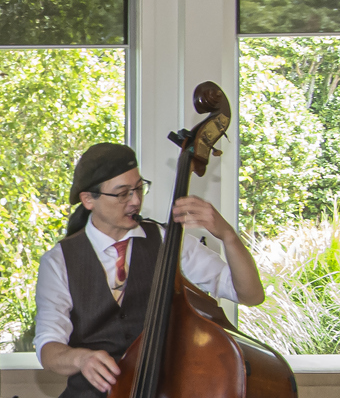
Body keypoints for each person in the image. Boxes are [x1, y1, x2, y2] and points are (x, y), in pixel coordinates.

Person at [33, 143, 265, 398]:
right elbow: (49, 347)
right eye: (122, 194)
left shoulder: (168, 241)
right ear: (89, 199)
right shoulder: (58, 262)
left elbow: (249, 295)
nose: (135, 201)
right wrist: (80, 360)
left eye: (139, 188)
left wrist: (228, 235)